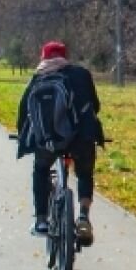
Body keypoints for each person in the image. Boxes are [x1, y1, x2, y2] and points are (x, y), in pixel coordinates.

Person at [15, 40, 103, 246]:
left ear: (43, 57)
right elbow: (95, 106)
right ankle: (83, 215)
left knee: (41, 170)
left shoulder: (38, 78)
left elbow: (23, 114)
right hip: (81, 139)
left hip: (48, 142)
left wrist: (22, 137)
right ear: (65, 56)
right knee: (84, 173)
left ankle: (42, 219)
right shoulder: (81, 75)